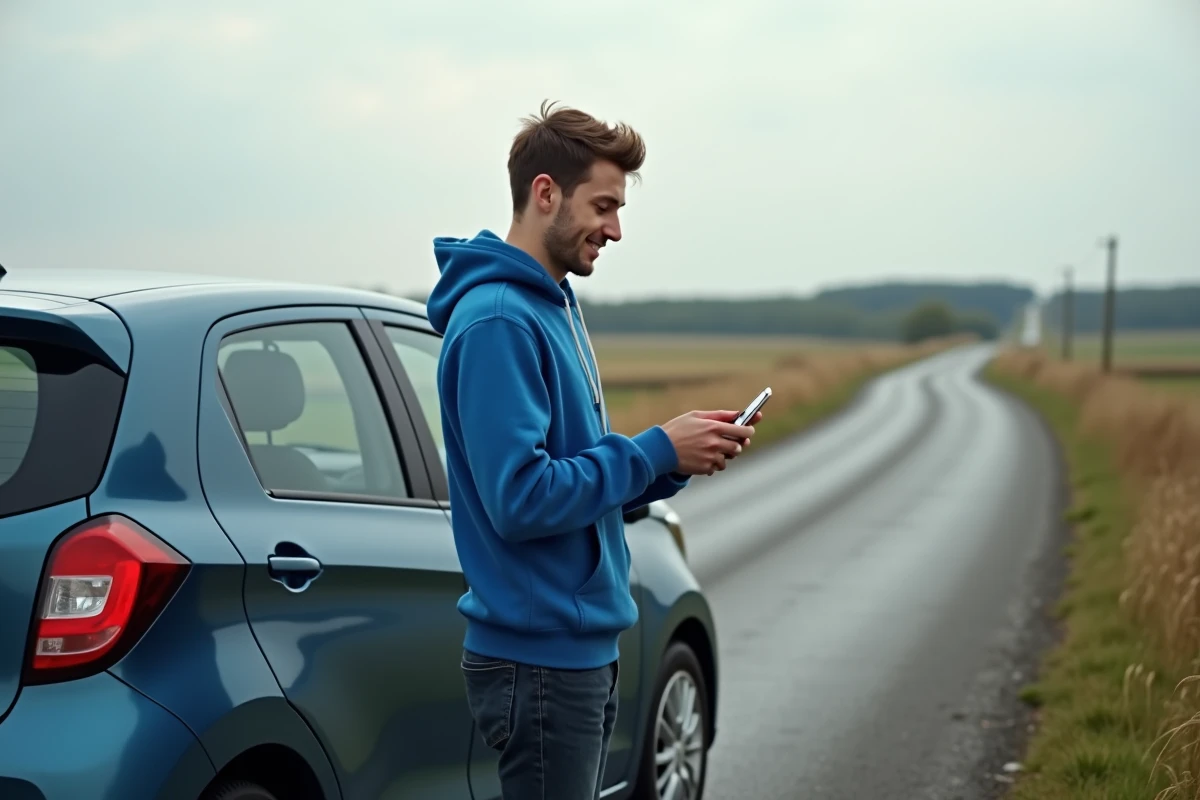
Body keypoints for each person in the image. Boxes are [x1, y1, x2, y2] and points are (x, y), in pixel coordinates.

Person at [425, 100, 760, 799]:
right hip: (537, 660)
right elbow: (520, 498)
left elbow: (573, 472)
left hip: (575, 654)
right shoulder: (496, 321)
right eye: (603, 205)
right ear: (545, 193)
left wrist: (669, 459)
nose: (615, 228)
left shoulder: (552, 304)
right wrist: (651, 449)